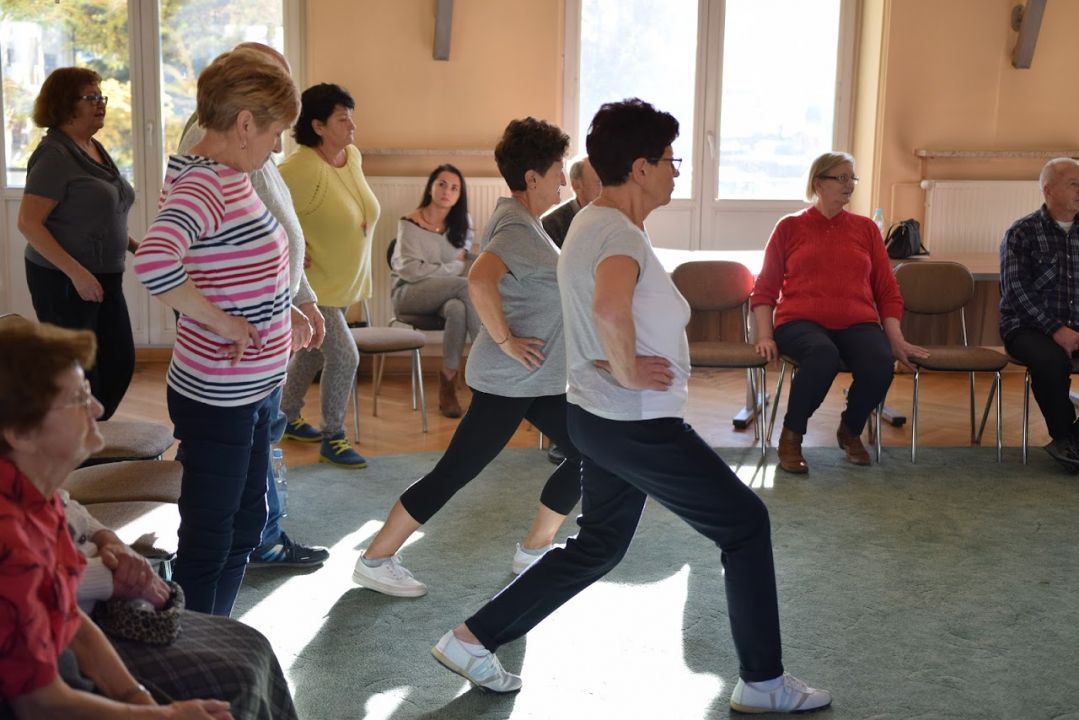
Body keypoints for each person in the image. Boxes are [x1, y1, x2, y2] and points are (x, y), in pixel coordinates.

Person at [430, 99, 831, 715]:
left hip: (598, 418)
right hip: (634, 422)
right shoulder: (616, 232)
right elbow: (608, 307)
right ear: (640, 168)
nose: (676, 172)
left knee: (598, 545)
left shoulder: (595, 221)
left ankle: (471, 639)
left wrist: (611, 366)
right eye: (671, 160)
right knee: (746, 524)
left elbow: (599, 307)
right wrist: (624, 368)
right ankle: (763, 682)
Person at [351, 117, 583, 597]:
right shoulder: (517, 229)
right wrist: (505, 340)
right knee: (455, 472)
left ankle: (535, 549)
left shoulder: (526, 223)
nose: (563, 179)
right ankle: (375, 559)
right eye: (557, 170)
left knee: (589, 453)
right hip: (510, 382)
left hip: (536, 382)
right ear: (532, 177)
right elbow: (478, 279)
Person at [133, 48, 299, 615]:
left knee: (246, 524)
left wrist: (285, 312)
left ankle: (217, 634)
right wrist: (223, 321)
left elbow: (240, 264)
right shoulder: (204, 184)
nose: (277, 145)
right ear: (246, 123)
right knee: (210, 539)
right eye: (275, 132)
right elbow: (154, 262)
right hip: (218, 396)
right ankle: (194, 647)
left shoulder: (229, 176)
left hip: (251, 388)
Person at [0, 319, 232, 719]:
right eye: (78, 398)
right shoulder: (9, 535)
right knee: (232, 679)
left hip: (61, 671)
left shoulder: (37, 499)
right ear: (20, 433)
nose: (98, 408)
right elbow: (39, 703)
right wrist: (167, 715)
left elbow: (70, 618)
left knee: (244, 660)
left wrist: (139, 699)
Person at [177, 42, 329, 570]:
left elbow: (271, 235)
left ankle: (258, 536)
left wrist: (298, 299)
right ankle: (255, 541)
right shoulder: (214, 154)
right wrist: (242, 318)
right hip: (236, 342)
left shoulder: (246, 147)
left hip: (263, 327)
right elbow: (173, 262)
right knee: (222, 486)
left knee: (253, 451)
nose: (280, 140)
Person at [750, 151, 928, 473]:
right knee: (823, 355)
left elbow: (887, 290)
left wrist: (896, 338)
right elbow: (765, 287)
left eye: (852, 178)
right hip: (799, 322)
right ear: (819, 184)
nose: (849, 185)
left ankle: (850, 429)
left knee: (880, 361)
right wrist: (764, 335)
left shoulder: (865, 229)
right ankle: (791, 436)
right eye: (841, 178)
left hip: (856, 321)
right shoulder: (789, 227)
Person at [62, 495, 298, 719]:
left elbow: (68, 505)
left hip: (98, 608)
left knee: (253, 647)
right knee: (234, 682)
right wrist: (114, 578)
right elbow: (50, 700)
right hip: (78, 626)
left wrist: (111, 542)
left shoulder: (44, 486)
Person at [17, 67, 137, 420]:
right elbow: (28, 223)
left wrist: (134, 245)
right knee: (78, 371)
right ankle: (73, 439)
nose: (101, 104)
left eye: (101, 97)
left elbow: (100, 213)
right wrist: (77, 274)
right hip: (63, 281)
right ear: (65, 104)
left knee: (119, 360)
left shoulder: (93, 146)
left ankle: (90, 431)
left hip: (105, 275)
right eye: (91, 98)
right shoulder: (54, 154)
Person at [278, 83, 380, 469]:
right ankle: (333, 437)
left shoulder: (350, 156)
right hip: (314, 286)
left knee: (311, 349)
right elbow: (264, 209)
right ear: (318, 126)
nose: (352, 125)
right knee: (343, 355)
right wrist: (290, 247)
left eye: (351, 117)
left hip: (341, 282)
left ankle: (286, 415)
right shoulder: (299, 167)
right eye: (342, 119)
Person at [1000, 157, 1079, 470]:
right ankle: (1064, 437)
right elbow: (1017, 292)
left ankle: (1074, 440)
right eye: (1073, 184)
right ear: (1049, 190)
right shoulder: (1022, 232)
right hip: (1028, 327)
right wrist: (1057, 329)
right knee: (1050, 361)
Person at [391, 164, 479, 418]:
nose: (446, 191)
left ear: (459, 195)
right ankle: (486, 358)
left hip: (444, 294)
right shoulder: (409, 222)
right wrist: (453, 267)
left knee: (458, 308)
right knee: (465, 285)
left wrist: (435, 269)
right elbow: (410, 271)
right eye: (442, 184)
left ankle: (448, 381)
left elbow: (461, 263)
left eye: (454, 188)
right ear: (431, 186)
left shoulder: (463, 224)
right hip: (408, 293)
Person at [541, 156, 602, 247]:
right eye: (599, 182)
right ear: (576, 185)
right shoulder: (552, 225)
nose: (606, 189)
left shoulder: (611, 217)